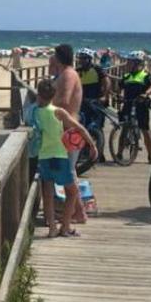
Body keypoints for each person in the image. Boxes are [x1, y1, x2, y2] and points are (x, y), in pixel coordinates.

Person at [35, 79, 97, 238]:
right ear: (53, 95)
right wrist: (92, 144)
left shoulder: (35, 112)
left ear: (39, 95)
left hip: (43, 156)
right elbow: (79, 128)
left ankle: (52, 229)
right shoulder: (58, 112)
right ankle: (65, 227)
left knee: (47, 194)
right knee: (72, 192)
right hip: (59, 156)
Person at [49, 44, 88, 223]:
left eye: (54, 55)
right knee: (67, 171)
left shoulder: (68, 74)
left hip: (69, 129)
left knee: (68, 172)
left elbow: (64, 100)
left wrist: (45, 104)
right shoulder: (65, 73)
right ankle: (77, 212)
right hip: (66, 128)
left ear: (59, 57)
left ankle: (78, 213)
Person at [118, 51, 151, 164]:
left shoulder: (145, 75)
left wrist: (146, 94)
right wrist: (119, 95)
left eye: (129, 62)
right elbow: (119, 87)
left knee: (145, 129)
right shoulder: (126, 76)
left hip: (141, 105)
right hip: (128, 104)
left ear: (137, 63)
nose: (127, 64)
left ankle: (150, 155)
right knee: (124, 129)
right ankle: (119, 153)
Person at [76, 48, 110, 162]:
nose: (81, 61)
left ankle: (100, 152)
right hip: (82, 102)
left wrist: (105, 96)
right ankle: (84, 151)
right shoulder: (78, 71)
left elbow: (107, 81)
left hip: (96, 101)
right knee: (82, 125)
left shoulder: (97, 69)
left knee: (98, 126)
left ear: (89, 59)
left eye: (84, 59)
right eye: (80, 58)